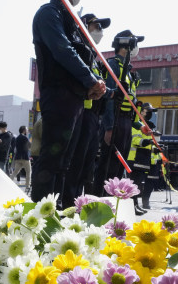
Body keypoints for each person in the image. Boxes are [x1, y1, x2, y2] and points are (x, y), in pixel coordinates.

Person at [30, 0, 106, 204]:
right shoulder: (48, 14)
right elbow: (64, 51)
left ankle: (57, 216)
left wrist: (92, 86)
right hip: (58, 96)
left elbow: (83, 57)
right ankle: (38, 217)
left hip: (74, 99)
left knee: (65, 164)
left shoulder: (71, 20)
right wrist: (91, 80)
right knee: (51, 163)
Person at [93, 30, 144, 202]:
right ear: (125, 45)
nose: (137, 48)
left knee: (118, 167)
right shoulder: (113, 65)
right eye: (135, 43)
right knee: (108, 166)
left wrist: (139, 126)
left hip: (125, 122)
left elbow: (130, 103)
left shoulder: (128, 70)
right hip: (114, 120)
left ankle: (113, 204)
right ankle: (100, 201)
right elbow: (109, 98)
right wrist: (108, 127)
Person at [65, 13, 111, 202]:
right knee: (74, 164)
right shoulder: (78, 50)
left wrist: (109, 92)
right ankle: (68, 204)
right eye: (96, 26)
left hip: (93, 116)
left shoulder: (95, 58)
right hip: (80, 112)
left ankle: (78, 204)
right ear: (84, 25)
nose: (99, 31)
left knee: (86, 166)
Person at [126, 102, 157, 214]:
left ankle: (135, 205)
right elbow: (134, 139)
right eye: (148, 111)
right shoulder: (136, 124)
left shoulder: (146, 125)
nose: (149, 114)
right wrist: (146, 141)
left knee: (137, 185)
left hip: (142, 160)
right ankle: (131, 207)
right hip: (133, 159)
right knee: (132, 185)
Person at [11, 125, 32, 190]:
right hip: (25, 157)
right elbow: (30, 146)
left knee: (15, 172)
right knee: (28, 172)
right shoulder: (25, 138)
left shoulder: (17, 138)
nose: (27, 130)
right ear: (24, 130)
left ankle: (8, 182)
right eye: (27, 129)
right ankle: (27, 186)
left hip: (18, 157)